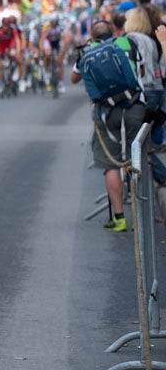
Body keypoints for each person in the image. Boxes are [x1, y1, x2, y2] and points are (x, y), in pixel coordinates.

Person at [71, 18, 146, 232]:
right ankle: (141, 216)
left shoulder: (86, 51)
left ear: (92, 35)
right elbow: (140, 72)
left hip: (106, 113)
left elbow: (74, 78)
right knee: (136, 159)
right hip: (134, 106)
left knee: (111, 164)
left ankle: (119, 218)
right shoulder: (128, 43)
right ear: (113, 31)